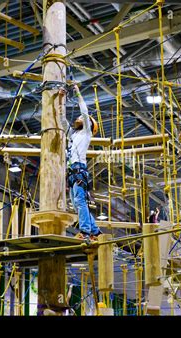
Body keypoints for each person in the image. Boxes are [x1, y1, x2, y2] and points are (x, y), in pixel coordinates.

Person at [60, 84, 101, 241]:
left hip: (79, 171)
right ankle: (95, 231)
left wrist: (77, 91)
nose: (78, 118)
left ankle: (85, 231)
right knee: (78, 204)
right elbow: (63, 121)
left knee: (79, 201)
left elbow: (84, 111)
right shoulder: (73, 135)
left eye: (81, 118)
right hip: (72, 173)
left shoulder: (86, 133)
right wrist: (60, 97)